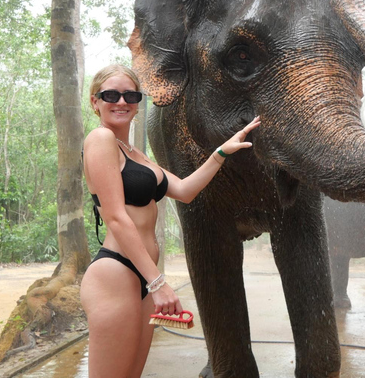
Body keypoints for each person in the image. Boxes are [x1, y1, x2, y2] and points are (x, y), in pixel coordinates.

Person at [80, 64, 260, 378]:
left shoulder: (137, 154)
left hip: (145, 280)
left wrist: (221, 152)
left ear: (137, 103)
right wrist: (159, 284)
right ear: (95, 102)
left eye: (130, 95)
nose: (121, 102)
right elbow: (116, 218)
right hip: (116, 274)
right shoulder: (100, 139)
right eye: (111, 95)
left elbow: (185, 190)